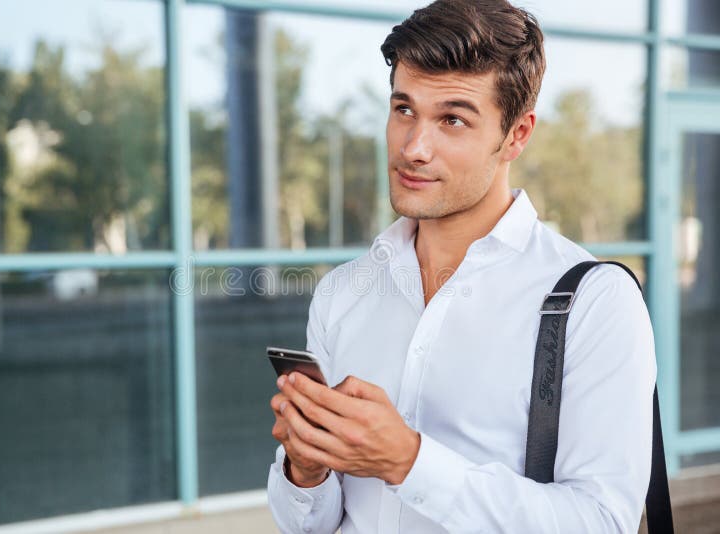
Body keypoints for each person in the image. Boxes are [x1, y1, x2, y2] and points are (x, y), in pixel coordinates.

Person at [266, 0, 656, 532]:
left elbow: (603, 521)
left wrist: (409, 462)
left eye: (452, 119)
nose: (414, 148)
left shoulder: (595, 302)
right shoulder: (343, 292)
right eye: (404, 109)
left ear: (516, 135)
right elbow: (312, 525)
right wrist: (305, 470)